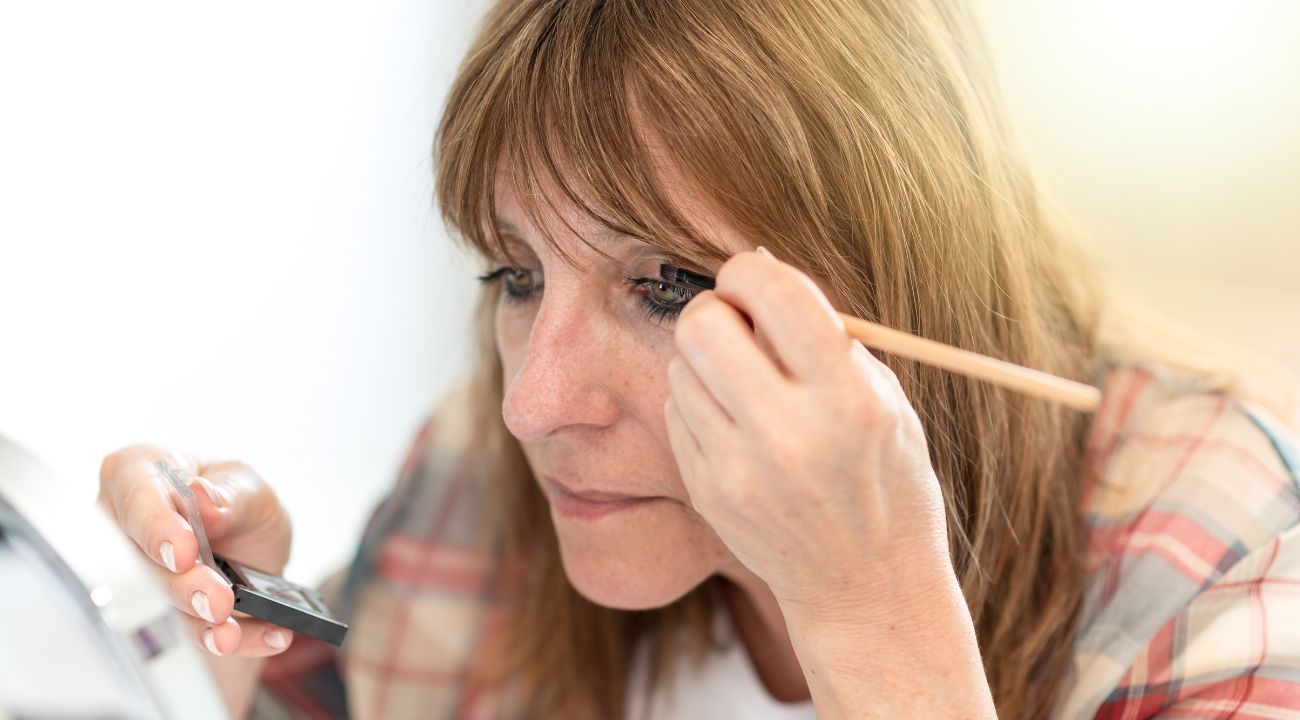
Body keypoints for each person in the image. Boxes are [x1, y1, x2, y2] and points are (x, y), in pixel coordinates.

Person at [97, 0, 1300, 717]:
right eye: (518, 276)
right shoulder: (475, 482)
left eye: (666, 287)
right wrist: (203, 640)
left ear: (894, 286)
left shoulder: (1219, 565)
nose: (533, 403)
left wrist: (877, 619)